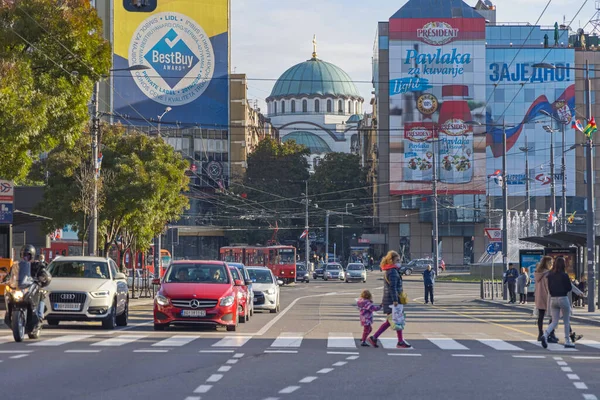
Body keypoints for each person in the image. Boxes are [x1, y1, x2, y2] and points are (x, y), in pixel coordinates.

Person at [368, 250, 411, 349]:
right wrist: (395, 300)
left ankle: (375, 338)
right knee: (397, 320)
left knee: (392, 321)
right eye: (397, 260)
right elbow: (393, 287)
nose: (399, 262)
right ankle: (399, 342)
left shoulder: (391, 270)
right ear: (391, 261)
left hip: (389, 300)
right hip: (393, 301)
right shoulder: (392, 272)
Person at [541, 257, 575, 349]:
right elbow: (569, 288)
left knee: (554, 321)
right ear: (563, 265)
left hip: (553, 299)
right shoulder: (564, 275)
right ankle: (567, 341)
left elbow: (549, 288)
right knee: (566, 321)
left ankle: (545, 335)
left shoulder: (550, 275)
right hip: (563, 298)